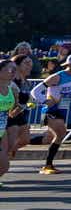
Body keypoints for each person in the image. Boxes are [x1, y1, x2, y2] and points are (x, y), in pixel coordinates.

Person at [36, 52, 71, 174]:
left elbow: (70, 91)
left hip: (63, 108)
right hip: (51, 109)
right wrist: (45, 101)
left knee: (48, 139)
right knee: (61, 133)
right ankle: (48, 166)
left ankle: (19, 142)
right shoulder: (57, 77)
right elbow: (35, 91)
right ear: (70, 65)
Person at [7, 48, 35, 158]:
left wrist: (30, 103)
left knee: (25, 140)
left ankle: (5, 154)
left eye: (31, 63)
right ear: (17, 65)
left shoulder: (27, 82)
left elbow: (28, 100)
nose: (30, 66)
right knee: (11, 143)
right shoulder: (10, 82)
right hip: (9, 114)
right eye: (26, 63)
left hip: (20, 113)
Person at [0, 57, 18, 188]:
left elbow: (12, 112)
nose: (13, 72)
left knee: (4, 166)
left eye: (15, 69)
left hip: (2, 130)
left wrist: (22, 106)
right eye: (10, 69)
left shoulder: (12, 89)